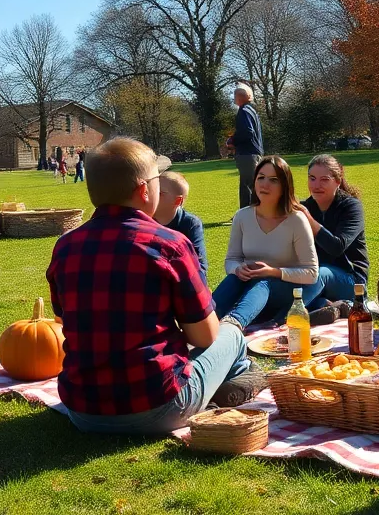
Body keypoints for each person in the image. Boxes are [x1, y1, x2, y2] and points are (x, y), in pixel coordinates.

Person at [46, 137, 263, 435]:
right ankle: (232, 384)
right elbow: (205, 336)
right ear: (145, 189)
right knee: (232, 334)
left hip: (82, 410)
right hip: (159, 406)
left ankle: (220, 388)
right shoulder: (168, 243)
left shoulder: (65, 246)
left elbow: (63, 320)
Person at [212, 156, 318, 328]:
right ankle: (203, 321)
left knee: (264, 281)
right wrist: (238, 269)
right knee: (234, 278)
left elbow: (312, 273)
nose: (264, 184)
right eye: (261, 178)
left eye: (273, 180)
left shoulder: (296, 220)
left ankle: (233, 326)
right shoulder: (242, 216)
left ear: (285, 186)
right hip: (247, 285)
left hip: (286, 290)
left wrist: (273, 272)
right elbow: (231, 260)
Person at [297, 154, 368, 317]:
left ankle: (284, 318)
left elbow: (337, 247)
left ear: (337, 180)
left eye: (324, 180)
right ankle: (330, 306)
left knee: (321, 274)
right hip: (314, 276)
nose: (316, 185)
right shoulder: (305, 207)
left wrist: (309, 220)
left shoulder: (351, 207)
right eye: (312, 178)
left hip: (351, 280)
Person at [153, 171, 207, 277]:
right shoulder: (142, 220)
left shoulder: (190, 223)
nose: (151, 195)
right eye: (151, 189)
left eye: (159, 193)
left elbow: (200, 266)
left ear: (177, 201)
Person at [231, 83, 263, 209]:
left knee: (249, 185)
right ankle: (247, 212)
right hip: (254, 153)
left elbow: (248, 132)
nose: (233, 98)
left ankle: (252, 213)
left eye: (234, 95)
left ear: (240, 97)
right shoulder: (252, 111)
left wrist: (233, 140)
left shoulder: (243, 111)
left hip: (247, 154)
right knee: (249, 184)